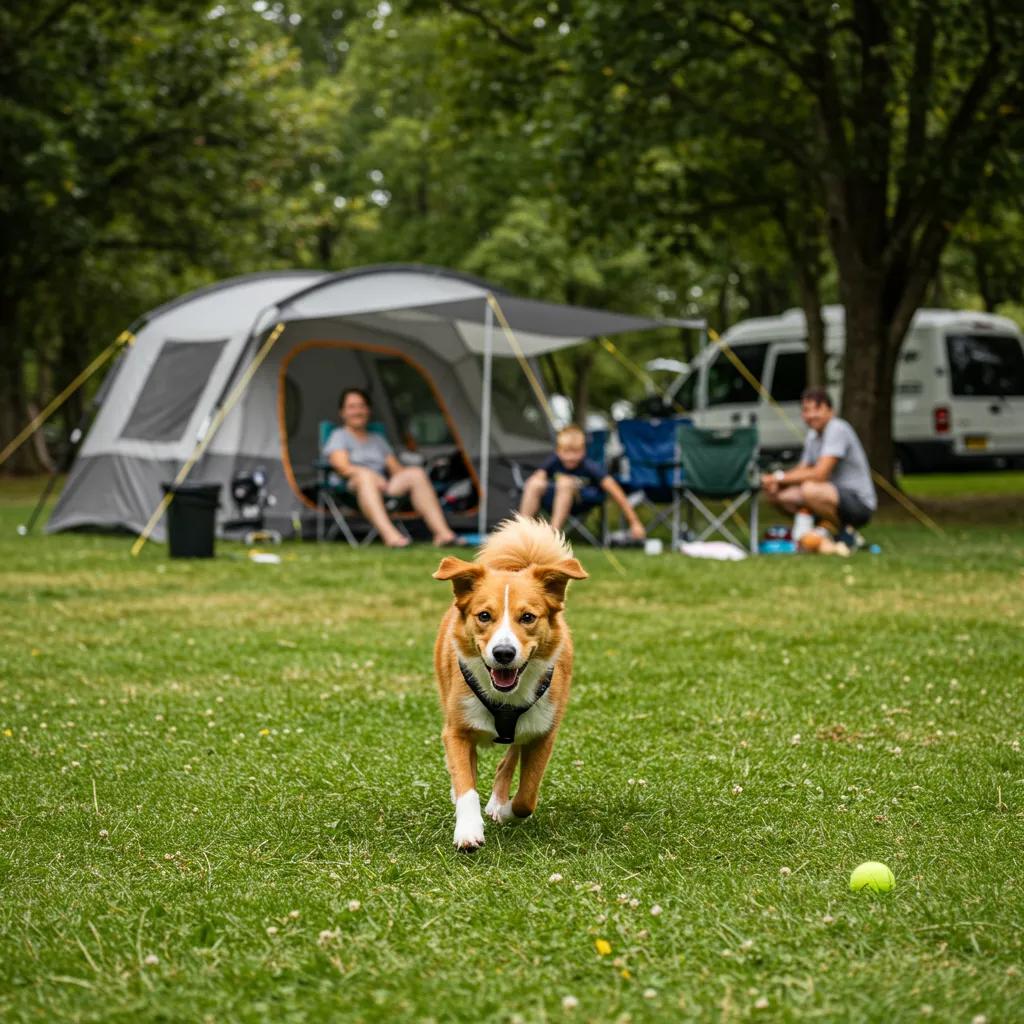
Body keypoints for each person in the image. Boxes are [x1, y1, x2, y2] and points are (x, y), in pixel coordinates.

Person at [324, 388, 462, 548]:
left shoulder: (377, 439)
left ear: (368, 410)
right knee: (365, 478)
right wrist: (371, 475)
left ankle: (443, 534)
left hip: (382, 486)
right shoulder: (339, 436)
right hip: (350, 488)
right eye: (352, 407)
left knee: (416, 474)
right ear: (343, 412)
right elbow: (342, 467)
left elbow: (395, 469)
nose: (358, 411)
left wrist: (403, 477)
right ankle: (391, 536)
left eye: (361, 406)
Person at [760, 387, 877, 540]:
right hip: (829, 495)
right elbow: (802, 469)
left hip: (859, 502)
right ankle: (817, 531)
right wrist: (777, 483)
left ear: (830, 410)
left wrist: (778, 478)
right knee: (776, 495)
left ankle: (846, 534)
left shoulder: (837, 428)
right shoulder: (813, 435)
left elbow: (820, 474)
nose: (809, 416)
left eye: (816, 409)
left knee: (810, 489)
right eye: (805, 410)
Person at [519, 424, 647, 542]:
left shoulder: (589, 466)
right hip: (552, 501)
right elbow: (537, 478)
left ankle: (552, 538)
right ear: (558, 451)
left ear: (584, 451)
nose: (571, 457)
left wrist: (634, 522)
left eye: (576, 452)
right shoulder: (554, 461)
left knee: (565, 482)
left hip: (581, 502)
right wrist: (539, 480)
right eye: (566, 452)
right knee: (534, 483)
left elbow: (615, 491)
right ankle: (522, 535)